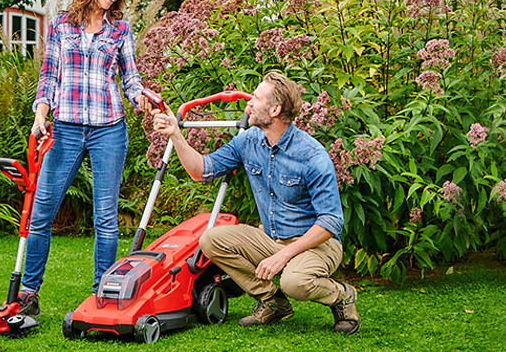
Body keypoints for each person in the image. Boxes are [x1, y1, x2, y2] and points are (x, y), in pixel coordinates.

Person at [152, 72, 360, 334]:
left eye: (256, 98)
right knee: (210, 240)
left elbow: (331, 222)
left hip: (317, 244)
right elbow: (201, 171)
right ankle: (273, 301)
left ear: (274, 109)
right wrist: (175, 134)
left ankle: (342, 295)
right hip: (273, 238)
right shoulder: (249, 140)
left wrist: (283, 255)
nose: (248, 104)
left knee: (294, 282)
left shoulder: (312, 156)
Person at [18, 0, 153, 316]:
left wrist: (142, 99)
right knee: (42, 210)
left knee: (106, 217)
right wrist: (40, 117)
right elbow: (48, 77)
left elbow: (130, 79)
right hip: (64, 127)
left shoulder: (121, 30)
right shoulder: (61, 25)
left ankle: (102, 294)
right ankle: (28, 294)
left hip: (109, 128)